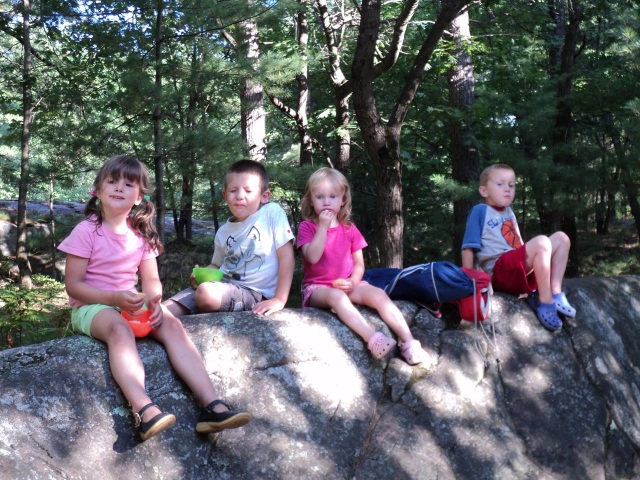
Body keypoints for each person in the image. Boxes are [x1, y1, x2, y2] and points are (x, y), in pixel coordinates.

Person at [58, 155, 251, 441]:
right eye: (111, 182)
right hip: (92, 307)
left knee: (173, 325)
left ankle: (212, 406)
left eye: (128, 184)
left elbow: (150, 280)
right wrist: (114, 298)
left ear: (139, 197)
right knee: (118, 330)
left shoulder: (141, 235)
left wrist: (154, 302)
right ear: (97, 191)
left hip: (130, 303)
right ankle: (144, 410)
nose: (119, 188)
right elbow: (73, 286)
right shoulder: (87, 230)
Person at [297, 167, 426, 365]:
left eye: (332, 196)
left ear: (343, 200)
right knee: (337, 297)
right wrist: (322, 227)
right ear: (311, 200)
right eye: (320, 197)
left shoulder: (349, 228)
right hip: (318, 288)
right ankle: (372, 338)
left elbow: (359, 263)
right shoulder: (308, 227)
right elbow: (312, 257)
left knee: (378, 295)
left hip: (348, 283)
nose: (326, 202)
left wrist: (354, 281)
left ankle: (408, 342)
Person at [164, 159, 295, 317]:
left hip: (254, 293)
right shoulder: (223, 232)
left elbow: (287, 257)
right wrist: (201, 275)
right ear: (225, 195)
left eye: (248, 191)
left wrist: (279, 299)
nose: (240, 196)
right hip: (221, 286)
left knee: (206, 294)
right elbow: (216, 265)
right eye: (233, 191)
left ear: (264, 196)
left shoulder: (271, 213)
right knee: (161, 311)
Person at [461, 163, 576, 331]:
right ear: (484, 191)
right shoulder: (480, 211)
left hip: (517, 269)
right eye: (500, 184)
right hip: (499, 270)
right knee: (542, 241)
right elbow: (468, 247)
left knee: (562, 238)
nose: (507, 189)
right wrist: (467, 283)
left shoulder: (509, 210)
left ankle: (555, 292)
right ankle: (545, 301)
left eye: (511, 185)